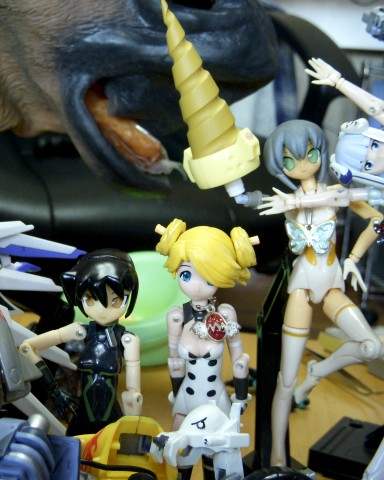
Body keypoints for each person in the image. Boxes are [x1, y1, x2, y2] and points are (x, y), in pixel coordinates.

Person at [261, 119, 383, 466]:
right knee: (285, 381)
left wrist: (353, 259)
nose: (302, 166)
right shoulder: (288, 200)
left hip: (331, 283)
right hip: (302, 288)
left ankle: (316, 373)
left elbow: (378, 221)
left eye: (309, 155)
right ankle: (278, 458)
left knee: (371, 347)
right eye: (290, 161)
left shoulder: (337, 193)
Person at [155, 218, 254, 480]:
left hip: (216, 398)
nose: (196, 286)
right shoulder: (176, 317)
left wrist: (240, 396)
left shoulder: (226, 314)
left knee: (215, 453)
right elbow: (175, 363)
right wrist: (176, 391)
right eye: (187, 274)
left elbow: (240, 360)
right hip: (186, 397)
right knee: (180, 453)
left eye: (208, 277)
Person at [19, 249, 142, 436]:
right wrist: (53, 389)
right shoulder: (80, 331)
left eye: (116, 301)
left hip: (111, 419)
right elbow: (28, 347)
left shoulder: (127, 340)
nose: (102, 310)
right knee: (75, 450)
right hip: (82, 416)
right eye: (90, 299)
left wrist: (133, 425)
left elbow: (133, 394)